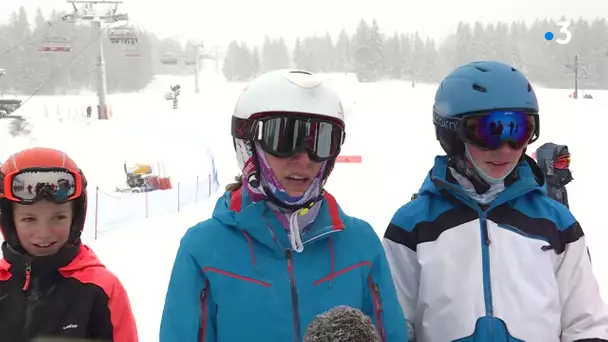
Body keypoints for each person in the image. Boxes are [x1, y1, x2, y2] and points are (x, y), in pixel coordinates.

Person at [159, 69, 407, 342]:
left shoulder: (360, 244)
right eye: (283, 138)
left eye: (321, 141)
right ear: (249, 144)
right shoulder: (204, 250)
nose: (303, 159)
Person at [382, 60, 608, 341]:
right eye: (487, 132)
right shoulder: (412, 225)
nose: (505, 149)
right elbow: (395, 325)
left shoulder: (557, 224)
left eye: (519, 131)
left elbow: (586, 324)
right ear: (451, 134)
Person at [0, 147, 139, 342]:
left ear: (75, 219)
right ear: (9, 221)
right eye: (29, 219)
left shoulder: (100, 290)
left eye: (58, 217)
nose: (44, 233)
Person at [535, 142, 573, 208]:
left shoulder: (559, 185)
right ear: (548, 165)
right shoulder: (539, 191)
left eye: (568, 161)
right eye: (561, 162)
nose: (566, 166)